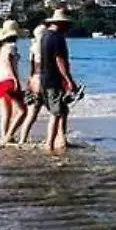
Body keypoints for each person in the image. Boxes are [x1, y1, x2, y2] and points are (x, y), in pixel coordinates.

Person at [39, 9, 78, 152]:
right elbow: (59, 60)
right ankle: (50, 144)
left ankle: (61, 140)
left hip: (45, 77)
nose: (68, 28)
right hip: (53, 79)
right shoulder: (57, 38)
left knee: (62, 110)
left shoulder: (45, 36)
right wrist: (69, 80)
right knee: (56, 113)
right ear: (61, 24)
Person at [0, 20, 27, 145]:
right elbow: (9, 64)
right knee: (22, 111)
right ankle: (8, 136)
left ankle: (4, 137)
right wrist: (16, 80)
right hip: (8, 81)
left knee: (6, 113)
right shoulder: (11, 47)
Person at [17, 24, 46, 145]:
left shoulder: (33, 47)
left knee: (31, 114)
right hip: (43, 80)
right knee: (58, 111)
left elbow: (32, 68)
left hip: (33, 79)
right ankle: (57, 138)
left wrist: (29, 82)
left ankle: (22, 139)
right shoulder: (44, 47)